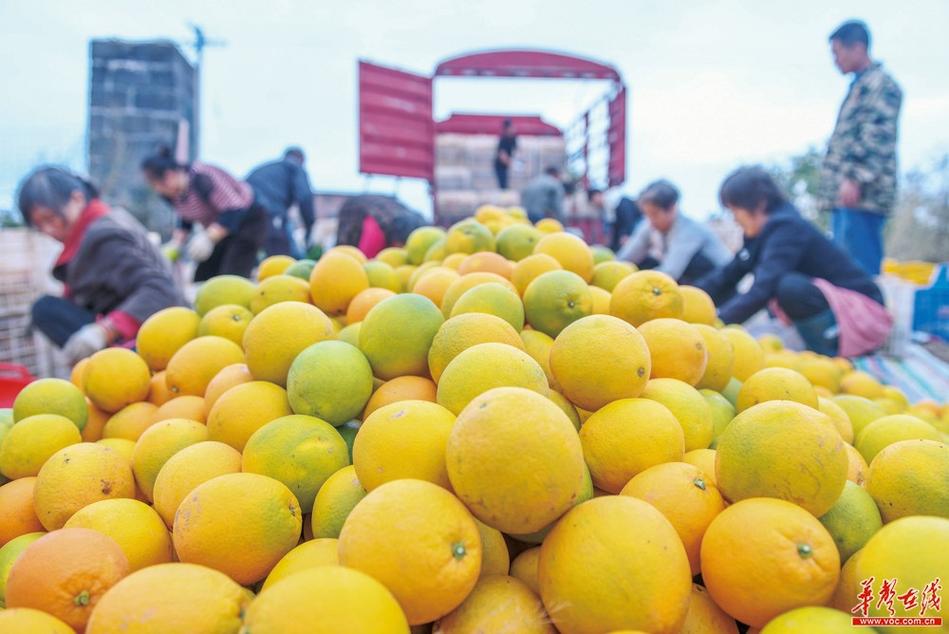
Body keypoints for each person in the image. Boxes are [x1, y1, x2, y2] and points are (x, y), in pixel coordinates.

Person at [697, 166, 891, 357]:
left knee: (788, 287)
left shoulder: (787, 227)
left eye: (735, 210)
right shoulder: (759, 233)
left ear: (758, 204)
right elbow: (729, 273)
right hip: (831, 306)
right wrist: (687, 297)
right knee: (781, 289)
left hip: (863, 313)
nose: (734, 219)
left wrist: (717, 323)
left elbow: (763, 288)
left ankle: (826, 351)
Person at [17, 166, 186, 364]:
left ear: (77, 199)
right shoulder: (100, 227)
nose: (48, 230)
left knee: (45, 309)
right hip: (151, 333)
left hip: (158, 338)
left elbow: (160, 289)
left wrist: (104, 330)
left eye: (50, 218)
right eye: (39, 226)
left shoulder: (104, 235)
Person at [820, 20, 902, 276]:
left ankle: (867, 315)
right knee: (842, 267)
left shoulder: (881, 86)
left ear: (857, 48)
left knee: (860, 269)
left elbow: (876, 138)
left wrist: (854, 178)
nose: (835, 61)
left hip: (862, 194)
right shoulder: (859, 86)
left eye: (837, 53)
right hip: (845, 195)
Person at [141, 147, 268, 281]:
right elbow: (186, 217)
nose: (157, 189)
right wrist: (176, 243)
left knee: (231, 275)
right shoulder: (173, 194)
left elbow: (234, 209)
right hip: (218, 230)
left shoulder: (202, 177)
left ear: (169, 176)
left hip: (247, 222)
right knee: (203, 277)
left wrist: (208, 238)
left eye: (156, 184)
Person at [616, 180, 731, 284]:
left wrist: (632, 285)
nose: (650, 221)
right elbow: (625, 258)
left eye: (654, 214)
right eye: (647, 215)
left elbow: (670, 272)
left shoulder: (689, 231)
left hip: (719, 285)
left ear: (672, 208)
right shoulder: (650, 225)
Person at [246, 146, 316, 258]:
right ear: (302, 160)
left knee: (246, 253)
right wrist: (309, 227)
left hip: (245, 212)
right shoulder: (295, 168)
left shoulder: (266, 168)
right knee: (281, 256)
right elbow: (305, 198)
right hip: (270, 211)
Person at [335, 195, 425, 258]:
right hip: (352, 214)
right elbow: (364, 263)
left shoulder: (412, 220)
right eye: (403, 246)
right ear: (398, 240)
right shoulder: (375, 234)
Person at [494, 119, 517, 190]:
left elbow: (516, 151)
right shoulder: (503, 139)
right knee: (503, 186)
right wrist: (512, 164)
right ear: (507, 129)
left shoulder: (513, 139)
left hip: (507, 163)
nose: (513, 129)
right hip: (500, 165)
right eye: (511, 127)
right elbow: (502, 155)